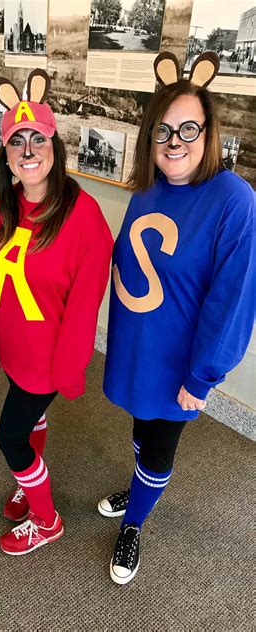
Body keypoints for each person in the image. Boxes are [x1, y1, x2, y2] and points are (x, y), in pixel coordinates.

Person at [100, 52, 255, 584]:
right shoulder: (148, 188)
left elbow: (232, 298)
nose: (175, 141)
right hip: (138, 344)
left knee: (161, 442)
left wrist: (203, 374)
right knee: (143, 425)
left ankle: (135, 524)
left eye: (189, 127)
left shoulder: (234, 199)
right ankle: (139, 484)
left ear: (209, 131)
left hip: (179, 358)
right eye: (163, 130)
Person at [0, 69, 113, 555]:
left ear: (55, 150)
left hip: (46, 359)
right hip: (15, 351)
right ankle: (28, 482)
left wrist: (67, 369)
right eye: (18, 142)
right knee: (28, 423)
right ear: (7, 156)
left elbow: (84, 308)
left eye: (39, 139)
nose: (29, 150)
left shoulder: (84, 218)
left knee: (8, 437)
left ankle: (47, 517)